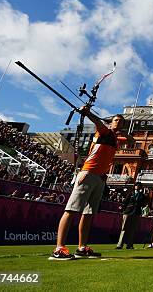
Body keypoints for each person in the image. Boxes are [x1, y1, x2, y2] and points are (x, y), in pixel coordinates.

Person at [49, 108, 125, 260]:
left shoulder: (115, 139)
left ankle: (82, 248)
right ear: (110, 122)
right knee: (71, 209)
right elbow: (97, 122)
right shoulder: (104, 131)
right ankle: (59, 248)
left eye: (121, 122)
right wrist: (88, 113)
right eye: (116, 120)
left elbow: (130, 141)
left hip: (99, 177)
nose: (119, 123)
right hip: (89, 173)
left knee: (89, 214)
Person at [116, 182, 147, 249]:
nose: (137, 187)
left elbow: (144, 204)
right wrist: (122, 207)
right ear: (135, 186)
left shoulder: (142, 195)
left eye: (139, 186)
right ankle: (120, 244)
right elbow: (125, 202)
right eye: (136, 185)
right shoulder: (130, 193)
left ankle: (129, 244)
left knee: (133, 230)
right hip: (128, 212)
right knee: (124, 228)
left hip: (136, 213)